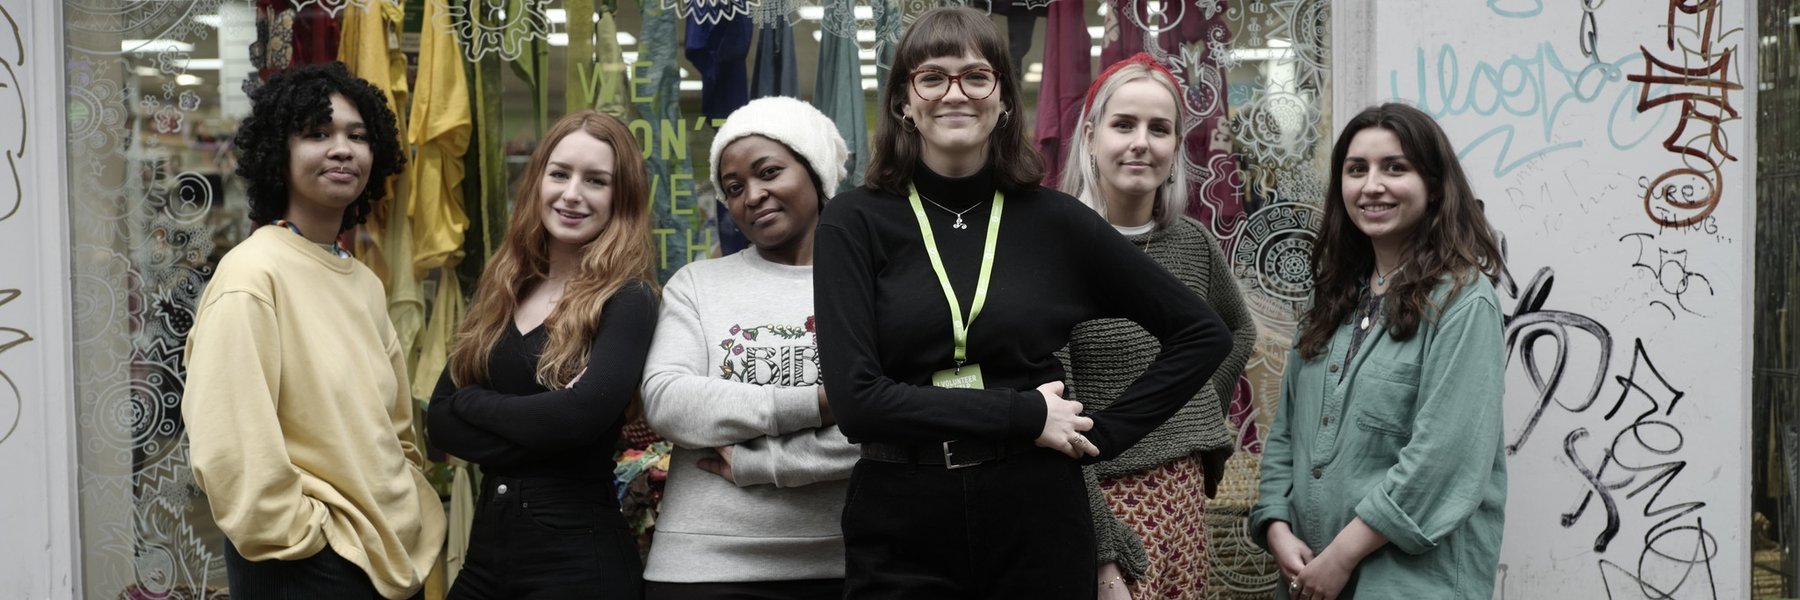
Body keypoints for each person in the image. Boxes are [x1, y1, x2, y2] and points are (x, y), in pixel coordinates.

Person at [812, 8, 1235, 598]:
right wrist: (1026, 415)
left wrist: (1103, 434)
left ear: (1004, 99)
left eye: (976, 77)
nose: (953, 93)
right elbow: (858, 402)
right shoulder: (853, 221)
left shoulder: (1056, 222)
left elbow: (1203, 334)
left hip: (1037, 514)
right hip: (902, 516)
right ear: (904, 102)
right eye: (931, 78)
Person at [183, 62, 445, 600]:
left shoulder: (364, 281)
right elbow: (231, 445)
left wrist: (407, 502)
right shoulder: (253, 274)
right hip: (307, 565)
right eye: (318, 134)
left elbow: (394, 426)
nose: (343, 149)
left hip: (388, 557)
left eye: (358, 135)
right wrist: (305, 539)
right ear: (279, 152)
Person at [1249, 103, 1508, 600]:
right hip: (1307, 573)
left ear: (1433, 185)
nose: (1372, 185)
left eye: (1395, 167)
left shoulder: (1462, 300)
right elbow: (1286, 432)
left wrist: (1341, 558)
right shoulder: (1332, 299)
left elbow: (1442, 461)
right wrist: (1276, 524)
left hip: (1407, 582)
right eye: (1356, 169)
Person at [426, 110, 658, 599]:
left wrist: (474, 404)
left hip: (576, 558)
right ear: (538, 181)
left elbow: (576, 419)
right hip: (486, 552)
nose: (572, 194)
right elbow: (441, 421)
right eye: (560, 173)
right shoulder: (506, 285)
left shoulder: (628, 298)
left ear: (621, 198)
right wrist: (549, 424)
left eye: (596, 181)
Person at [639, 96, 859, 600]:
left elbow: (892, 421)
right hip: (702, 568)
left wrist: (760, 464)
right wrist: (820, 402)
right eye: (734, 188)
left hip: (848, 560)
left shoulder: (873, 285)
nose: (752, 196)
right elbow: (669, 402)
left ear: (816, 173)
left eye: (769, 172)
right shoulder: (697, 284)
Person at [1057, 52, 1259, 599]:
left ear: (1175, 149)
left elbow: (1237, 331)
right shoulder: (1057, 250)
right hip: (1100, 501)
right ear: (1092, 136)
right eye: (1124, 125)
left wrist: (1192, 412)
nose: (1141, 142)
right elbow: (1058, 415)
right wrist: (1103, 552)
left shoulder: (1191, 243)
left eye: (1159, 128)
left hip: (1184, 498)